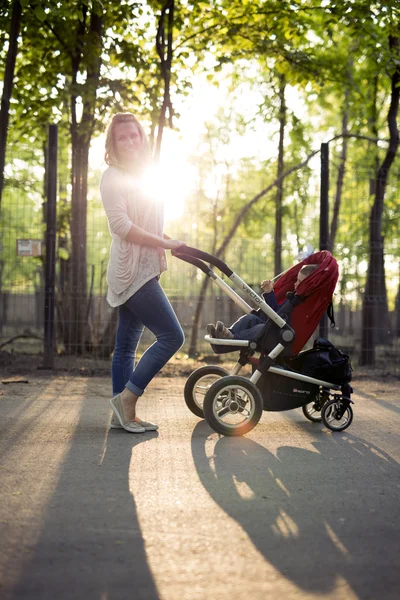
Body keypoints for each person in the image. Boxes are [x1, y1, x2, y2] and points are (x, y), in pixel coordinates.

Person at [100, 112, 186, 433]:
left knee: (126, 346)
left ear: (142, 137)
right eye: (122, 137)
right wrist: (164, 242)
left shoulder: (148, 175)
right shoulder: (113, 177)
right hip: (131, 273)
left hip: (144, 269)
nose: (130, 141)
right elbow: (121, 226)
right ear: (114, 144)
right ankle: (128, 400)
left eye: (134, 135)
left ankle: (122, 415)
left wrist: (169, 242)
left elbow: (149, 222)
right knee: (172, 336)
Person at [207, 264, 318, 341]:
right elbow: (275, 311)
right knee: (250, 318)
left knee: (260, 328)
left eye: (300, 281)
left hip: (276, 334)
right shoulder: (293, 298)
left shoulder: (299, 302)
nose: (295, 284)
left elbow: (276, 314)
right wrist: (270, 292)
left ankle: (232, 338)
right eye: (296, 280)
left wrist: (270, 293)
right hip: (272, 325)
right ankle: (224, 334)